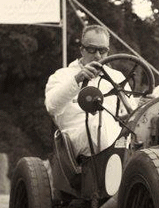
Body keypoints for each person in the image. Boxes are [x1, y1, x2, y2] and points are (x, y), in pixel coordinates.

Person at [44, 25, 130, 157]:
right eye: (91, 49)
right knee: (99, 123)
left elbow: (130, 112)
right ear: (82, 50)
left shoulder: (117, 77)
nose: (97, 55)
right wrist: (77, 79)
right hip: (76, 137)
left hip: (114, 136)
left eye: (103, 50)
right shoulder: (62, 75)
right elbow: (52, 107)